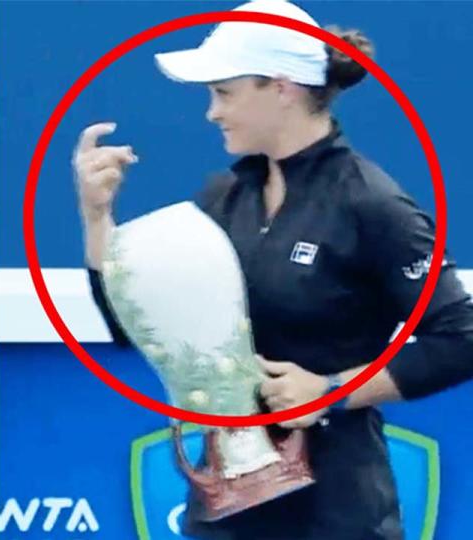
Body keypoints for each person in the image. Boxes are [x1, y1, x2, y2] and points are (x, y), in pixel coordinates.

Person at [75, 1, 473, 539]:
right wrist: (97, 219)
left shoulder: (374, 205)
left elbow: (460, 337)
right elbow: (130, 328)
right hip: (225, 512)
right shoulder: (223, 199)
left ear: (281, 88)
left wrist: (332, 390)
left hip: (338, 515)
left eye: (224, 93)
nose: (211, 113)